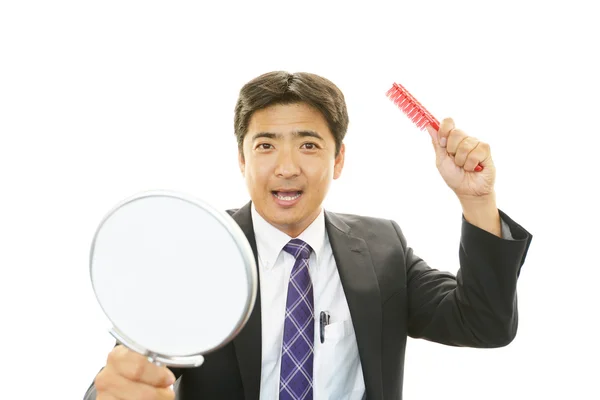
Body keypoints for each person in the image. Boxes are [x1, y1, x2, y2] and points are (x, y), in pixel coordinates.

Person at [84, 71, 532, 400]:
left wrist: (477, 201)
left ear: (338, 161)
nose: (286, 167)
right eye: (265, 145)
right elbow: (129, 374)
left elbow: (485, 323)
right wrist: (117, 392)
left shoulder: (382, 248)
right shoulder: (203, 251)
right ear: (242, 161)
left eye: (309, 144)